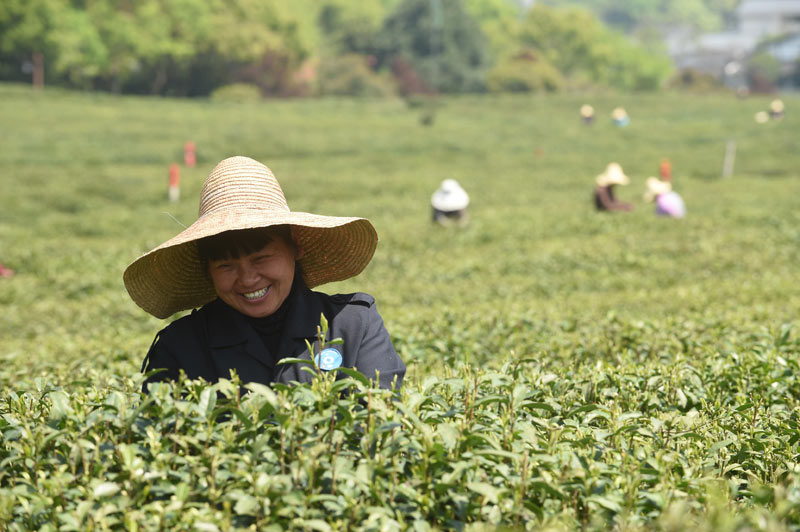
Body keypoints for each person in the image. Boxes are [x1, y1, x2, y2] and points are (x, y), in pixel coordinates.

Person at [124, 156, 406, 393]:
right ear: (207, 270)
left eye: (261, 258)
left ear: (296, 248)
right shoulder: (181, 347)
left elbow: (377, 424)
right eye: (226, 266)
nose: (247, 279)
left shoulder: (352, 325)